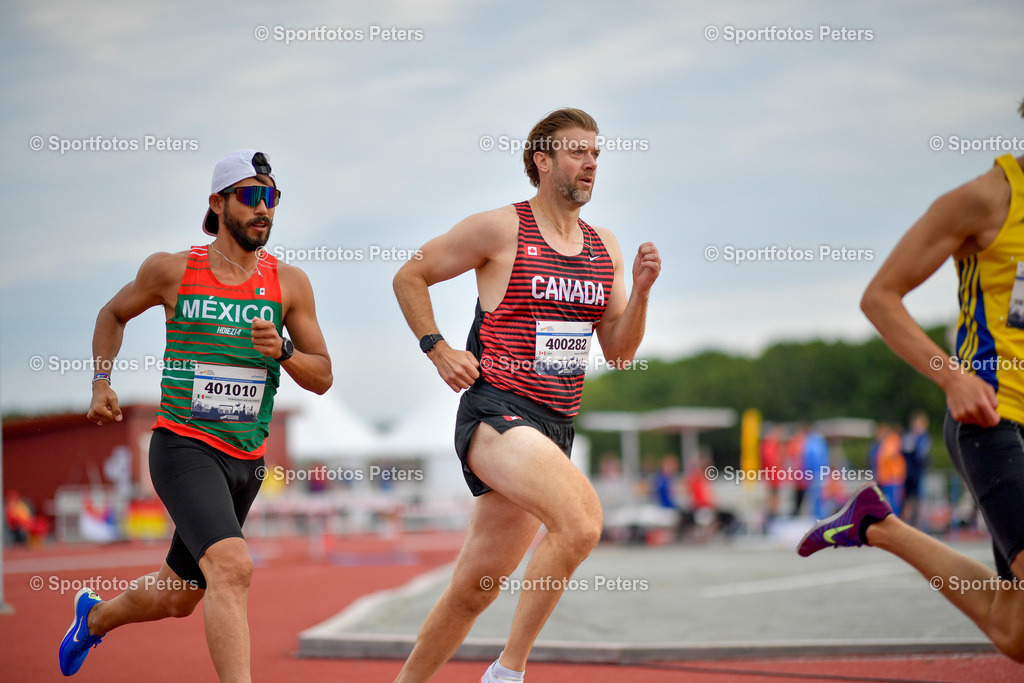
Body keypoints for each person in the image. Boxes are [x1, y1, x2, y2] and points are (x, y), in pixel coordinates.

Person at [392, 108, 660, 682]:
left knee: (475, 588)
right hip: (497, 413)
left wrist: (639, 294)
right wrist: (437, 348)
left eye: (596, 153)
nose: (590, 163)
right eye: (576, 152)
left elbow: (617, 350)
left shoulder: (603, 245)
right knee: (583, 521)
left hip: (554, 427)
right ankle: (507, 673)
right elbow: (409, 275)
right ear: (542, 160)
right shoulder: (499, 229)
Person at [59, 150, 333, 680]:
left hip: (247, 460)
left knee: (177, 595)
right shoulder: (173, 270)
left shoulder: (289, 285)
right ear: (217, 202)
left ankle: (93, 619)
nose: (264, 209)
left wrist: (283, 351)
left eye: (272, 198)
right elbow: (112, 313)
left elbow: (321, 376)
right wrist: (100, 382)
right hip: (184, 445)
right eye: (251, 196)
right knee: (233, 569)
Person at [799, 98, 1024, 662]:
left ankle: (877, 524)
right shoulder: (987, 198)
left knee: (1016, 633)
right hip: (994, 421)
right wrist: (952, 380)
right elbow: (880, 297)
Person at [900, 410, 932, 528]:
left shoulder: (925, 437)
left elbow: (922, 454)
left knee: (920, 499)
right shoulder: (909, 437)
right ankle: (905, 525)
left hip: (919, 472)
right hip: (908, 472)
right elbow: (904, 452)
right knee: (908, 500)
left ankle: (921, 525)